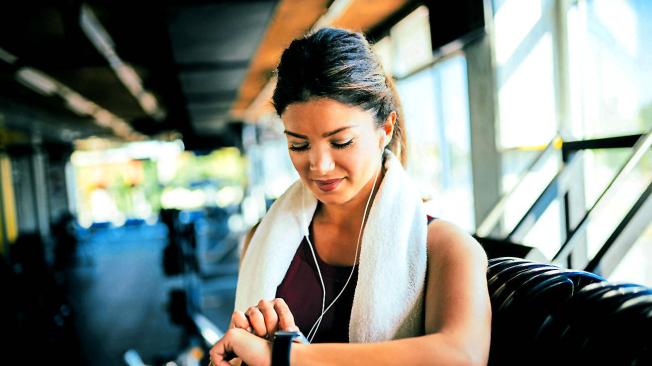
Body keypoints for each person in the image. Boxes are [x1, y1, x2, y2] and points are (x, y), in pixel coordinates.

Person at [209, 27, 491, 366]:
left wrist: (286, 358)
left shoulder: (446, 247)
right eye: (298, 145)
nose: (320, 165)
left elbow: (462, 356)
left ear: (385, 130)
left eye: (341, 142)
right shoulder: (260, 239)